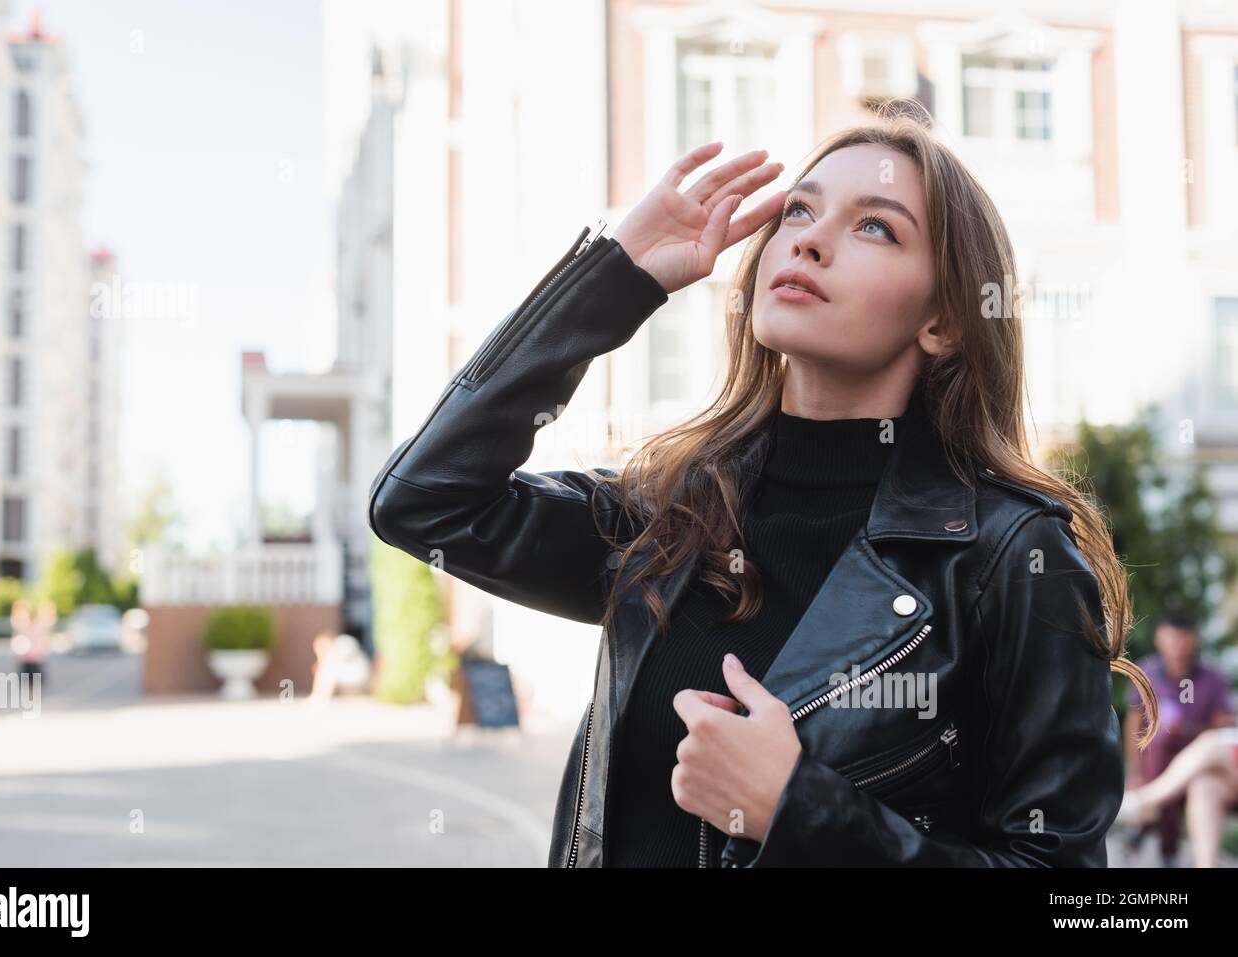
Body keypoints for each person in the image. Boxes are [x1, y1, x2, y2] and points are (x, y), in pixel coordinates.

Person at [369, 100, 1157, 867]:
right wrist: (615, 279)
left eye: (874, 226)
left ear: (944, 320)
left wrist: (797, 807)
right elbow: (426, 501)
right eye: (799, 213)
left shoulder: (1009, 554)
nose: (810, 243)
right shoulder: (668, 512)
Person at [1117, 610, 1236, 865]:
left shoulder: (1212, 678)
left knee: (1177, 750)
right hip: (1155, 757)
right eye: (1171, 639)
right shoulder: (1146, 672)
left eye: (1182, 639)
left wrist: (1189, 729)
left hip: (1198, 758)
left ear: (1193, 639)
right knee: (1161, 740)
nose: (1177, 647)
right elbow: (1133, 726)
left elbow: (1221, 731)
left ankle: (1145, 812)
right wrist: (1134, 773)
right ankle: (1155, 823)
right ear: (1159, 638)